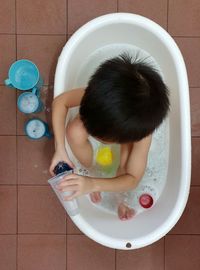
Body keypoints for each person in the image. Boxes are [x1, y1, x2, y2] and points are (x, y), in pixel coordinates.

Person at [49, 53, 170, 221]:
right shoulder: (97, 97)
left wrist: (93, 184)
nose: (94, 136)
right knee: (74, 130)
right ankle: (90, 168)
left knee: (124, 166)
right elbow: (60, 102)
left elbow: (132, 179)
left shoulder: (142, 137)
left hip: (128, 138)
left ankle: (120, 199)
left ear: (122, 138)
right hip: (116, 122)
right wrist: (60, 149)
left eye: (101, 137)